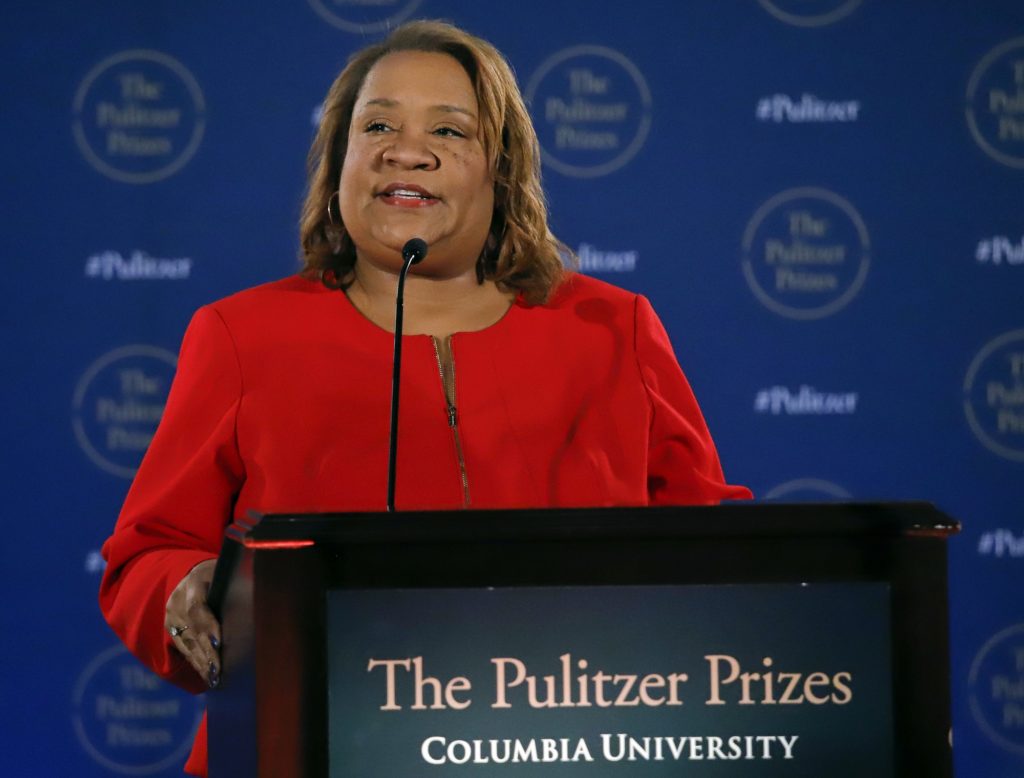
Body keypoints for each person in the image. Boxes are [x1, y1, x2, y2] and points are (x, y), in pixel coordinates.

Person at [99, 20, 751, 776]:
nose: (405, 149)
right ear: (339, 160)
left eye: (449, 128)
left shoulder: (613, 329)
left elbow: (716, 559)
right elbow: (146, 554)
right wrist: (182, 588)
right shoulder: (240, 334)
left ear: (500, 171)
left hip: (568, 742)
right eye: (376, 124)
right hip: (304, 742)